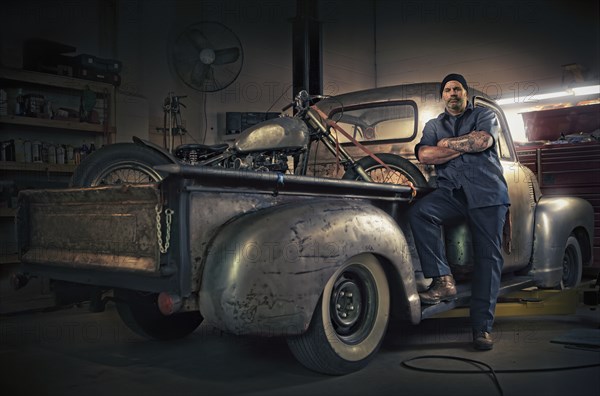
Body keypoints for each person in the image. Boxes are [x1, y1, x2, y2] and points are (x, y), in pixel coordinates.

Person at [408, 73, 510, 350]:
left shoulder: (484, 115)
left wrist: (445, 145)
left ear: (466, 94)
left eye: (458, 89)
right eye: (448, 90)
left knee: (488, 260)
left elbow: (482, 142)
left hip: (487, 193)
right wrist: (462, 147)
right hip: (451, 193)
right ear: (443, 96)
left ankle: (481, 329)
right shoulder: (432, 125)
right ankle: (443, 280)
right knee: (420, 213)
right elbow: (424, 155)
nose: (453, 93)